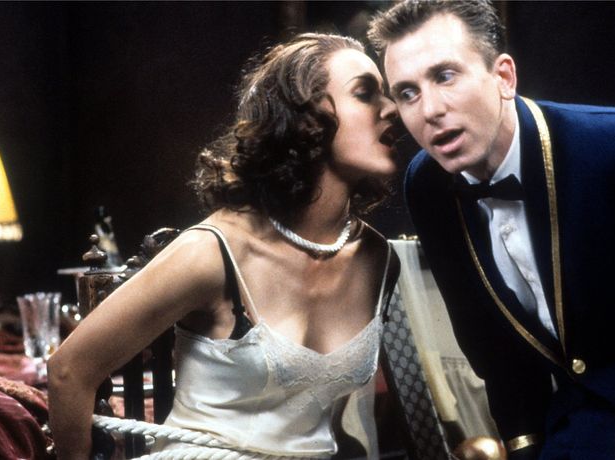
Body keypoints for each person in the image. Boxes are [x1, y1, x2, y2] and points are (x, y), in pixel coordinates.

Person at [368, 1, 615, 459]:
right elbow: (494, 354)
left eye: (445, 76)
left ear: (504, 77)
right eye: (408, 93)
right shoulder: (428, 184)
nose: (430, 109)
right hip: (579, 424)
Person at [48, 32, 401, 459]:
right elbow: (68, 371)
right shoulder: (214, 251)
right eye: (365, 94)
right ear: (305, 120)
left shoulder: (377, 259)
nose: (391, 109)